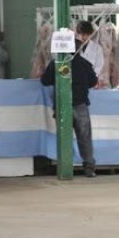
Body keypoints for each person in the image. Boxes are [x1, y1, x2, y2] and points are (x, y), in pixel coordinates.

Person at [40, 39, 98, 177]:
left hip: (62, 106)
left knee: (64, 138)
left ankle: (65, 167)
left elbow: (44, 81)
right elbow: (93, 81)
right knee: (84, 137)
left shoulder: (57, 64)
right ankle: (89, 167)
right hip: (81, 106)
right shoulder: (85, 64)